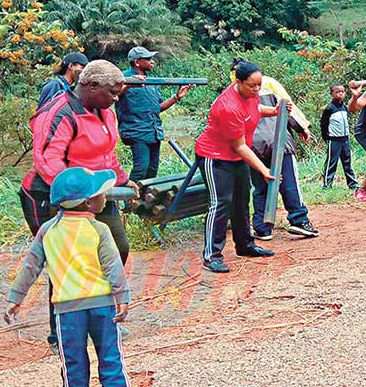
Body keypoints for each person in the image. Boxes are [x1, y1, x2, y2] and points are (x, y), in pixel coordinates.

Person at [18, 59, 138, 352]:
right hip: (58, 195)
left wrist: (121, 179)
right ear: (91, 86)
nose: (116, 98)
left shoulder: (105, 112)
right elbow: (48, 161)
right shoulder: (59, 112)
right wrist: (75, 200)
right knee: (67, 261)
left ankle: (97, 314)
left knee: (116, 246)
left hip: (96, 192)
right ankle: (61, 331)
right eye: (112, 92)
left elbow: (106, 153)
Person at [5, 167, 131, 387]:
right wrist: (122, 298)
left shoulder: (47, 230)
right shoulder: (99, 228)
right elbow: (113, 266)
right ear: (88, 203)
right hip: (102, 306)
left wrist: (15, 298)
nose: (105, 197)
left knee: (74, 368)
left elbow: (30, 267)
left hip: (66, 311)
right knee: (111, 362)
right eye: (101, 194)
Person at [194, 59, 281, 273]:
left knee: (242, 201)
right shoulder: (227, 106)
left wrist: (275, 111)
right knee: (220, 203)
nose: (257, 89)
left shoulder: (249, 94)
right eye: (253, 85)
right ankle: (211, 256)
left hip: (236, 157)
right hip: (214, 157)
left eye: (259, 84)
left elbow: (255, 108)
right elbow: (240, 146)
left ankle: (245, 245)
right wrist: (264, 170)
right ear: (239, 82)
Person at [249, 74, 319, 240]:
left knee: (260, 186)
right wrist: (302, 128)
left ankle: (262, 227)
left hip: (251, 144)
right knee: (289, 182)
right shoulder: (268, 83)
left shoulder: (235, 88)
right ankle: (299, 220)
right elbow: (288, 107)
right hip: (278, 139)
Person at [115, 46, 194, 181]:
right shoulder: (123, 78)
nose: (152, 61)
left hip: (154, 131)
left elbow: (157, 108)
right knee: (141, 169)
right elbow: (113, 95)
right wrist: (129, 84)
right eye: (148, 59)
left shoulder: (152, 82)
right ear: (137, 62)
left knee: (152, 171)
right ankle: (128, 199)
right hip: (136, 131)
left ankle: (144, 200)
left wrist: (177, 97)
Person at [320, 84, 359, 189]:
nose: (340, 94)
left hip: (345, 139)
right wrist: (327, 138)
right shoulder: (329, 108)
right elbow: (323, 124)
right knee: (331, 162)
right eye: (337, 92)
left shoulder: (344, 107)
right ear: (332, 93)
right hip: (334, 140)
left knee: (347, 162)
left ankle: (353, 184)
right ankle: (327, 184)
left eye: (342, 91)